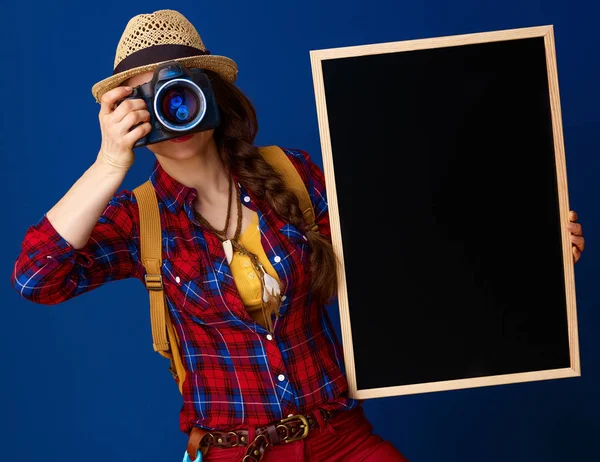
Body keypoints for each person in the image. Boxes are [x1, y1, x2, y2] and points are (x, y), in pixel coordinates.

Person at [10, 9, 585, 462]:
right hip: (233, 452)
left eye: (181, 87)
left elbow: (406, 253)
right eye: (149, 97)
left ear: (212, 91)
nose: (172, 107)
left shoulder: (292, 174)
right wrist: (111, 161)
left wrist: (530, 246)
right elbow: (36, 277)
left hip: (341, 436)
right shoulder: (141, 220)